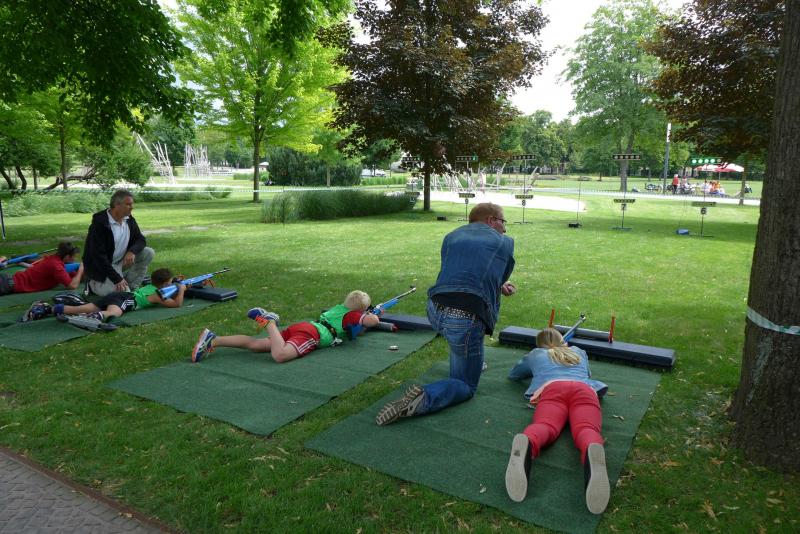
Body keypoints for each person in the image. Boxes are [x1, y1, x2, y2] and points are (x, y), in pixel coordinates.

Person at [375, 202, 516, 426]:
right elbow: (499, 276)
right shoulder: (504, 242)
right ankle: (424, 398)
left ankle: (472, 361)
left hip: (435, 309)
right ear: (491, 220)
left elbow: (458, 272)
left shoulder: (451, 236)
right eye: (503, 221)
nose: (505, 228)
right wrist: (500, 285)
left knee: (463, 339)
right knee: (466, 384)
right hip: (464, 317)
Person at [504, 328, 610, 514]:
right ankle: (591, 447)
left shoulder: (535, 354)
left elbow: (514, 374)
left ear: (539, 345)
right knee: (586, 428)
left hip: (552, 389)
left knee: (545, 426)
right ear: (563, 341)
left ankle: (529, 441)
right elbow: (587, 374)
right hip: (583, 390)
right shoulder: (578, 352)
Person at [191, 290, 382, 364]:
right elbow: (372, 321)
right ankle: (269, 322)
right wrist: (373, 314)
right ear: (361, 310)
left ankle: (214, 340)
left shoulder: (340, 309)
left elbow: (356, 329)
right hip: (312, 335)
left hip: (303, 327)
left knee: (257, 345)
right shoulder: (353, 314)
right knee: (280, 355)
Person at [21, 268, 184, 322]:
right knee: (114, 313)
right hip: (127, 299)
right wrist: (181, 289)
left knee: (84, 307)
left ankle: (48, 309)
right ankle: (93, 318)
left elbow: (168, 289)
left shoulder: (150, 286)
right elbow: (176, 304)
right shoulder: (158, 294)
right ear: (164, 284)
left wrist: (176, 284)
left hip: (117, 295)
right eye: (170, 283)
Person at [83, 189, 154, 297]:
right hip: (101, 268)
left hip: (121, 262)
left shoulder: (129, 219)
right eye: (128, 204)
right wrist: (116, 279)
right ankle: (92, 285)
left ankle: (131, 286)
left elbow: (140, 239)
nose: (132, 207)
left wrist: (131, 251)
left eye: (132, 204)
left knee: (148, 252)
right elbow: (98, 257)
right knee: (120, 295)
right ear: (117, 205)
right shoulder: (100, 224)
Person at [0, 242, 84, 296]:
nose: (75, 259)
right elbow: (72, 286)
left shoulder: (54, 259)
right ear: (67, 256)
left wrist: (79, 272)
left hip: (7, 281)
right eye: (74, 257)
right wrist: (80, 270)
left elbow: (73, 276)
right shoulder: (56, 266)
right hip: (6, 284)